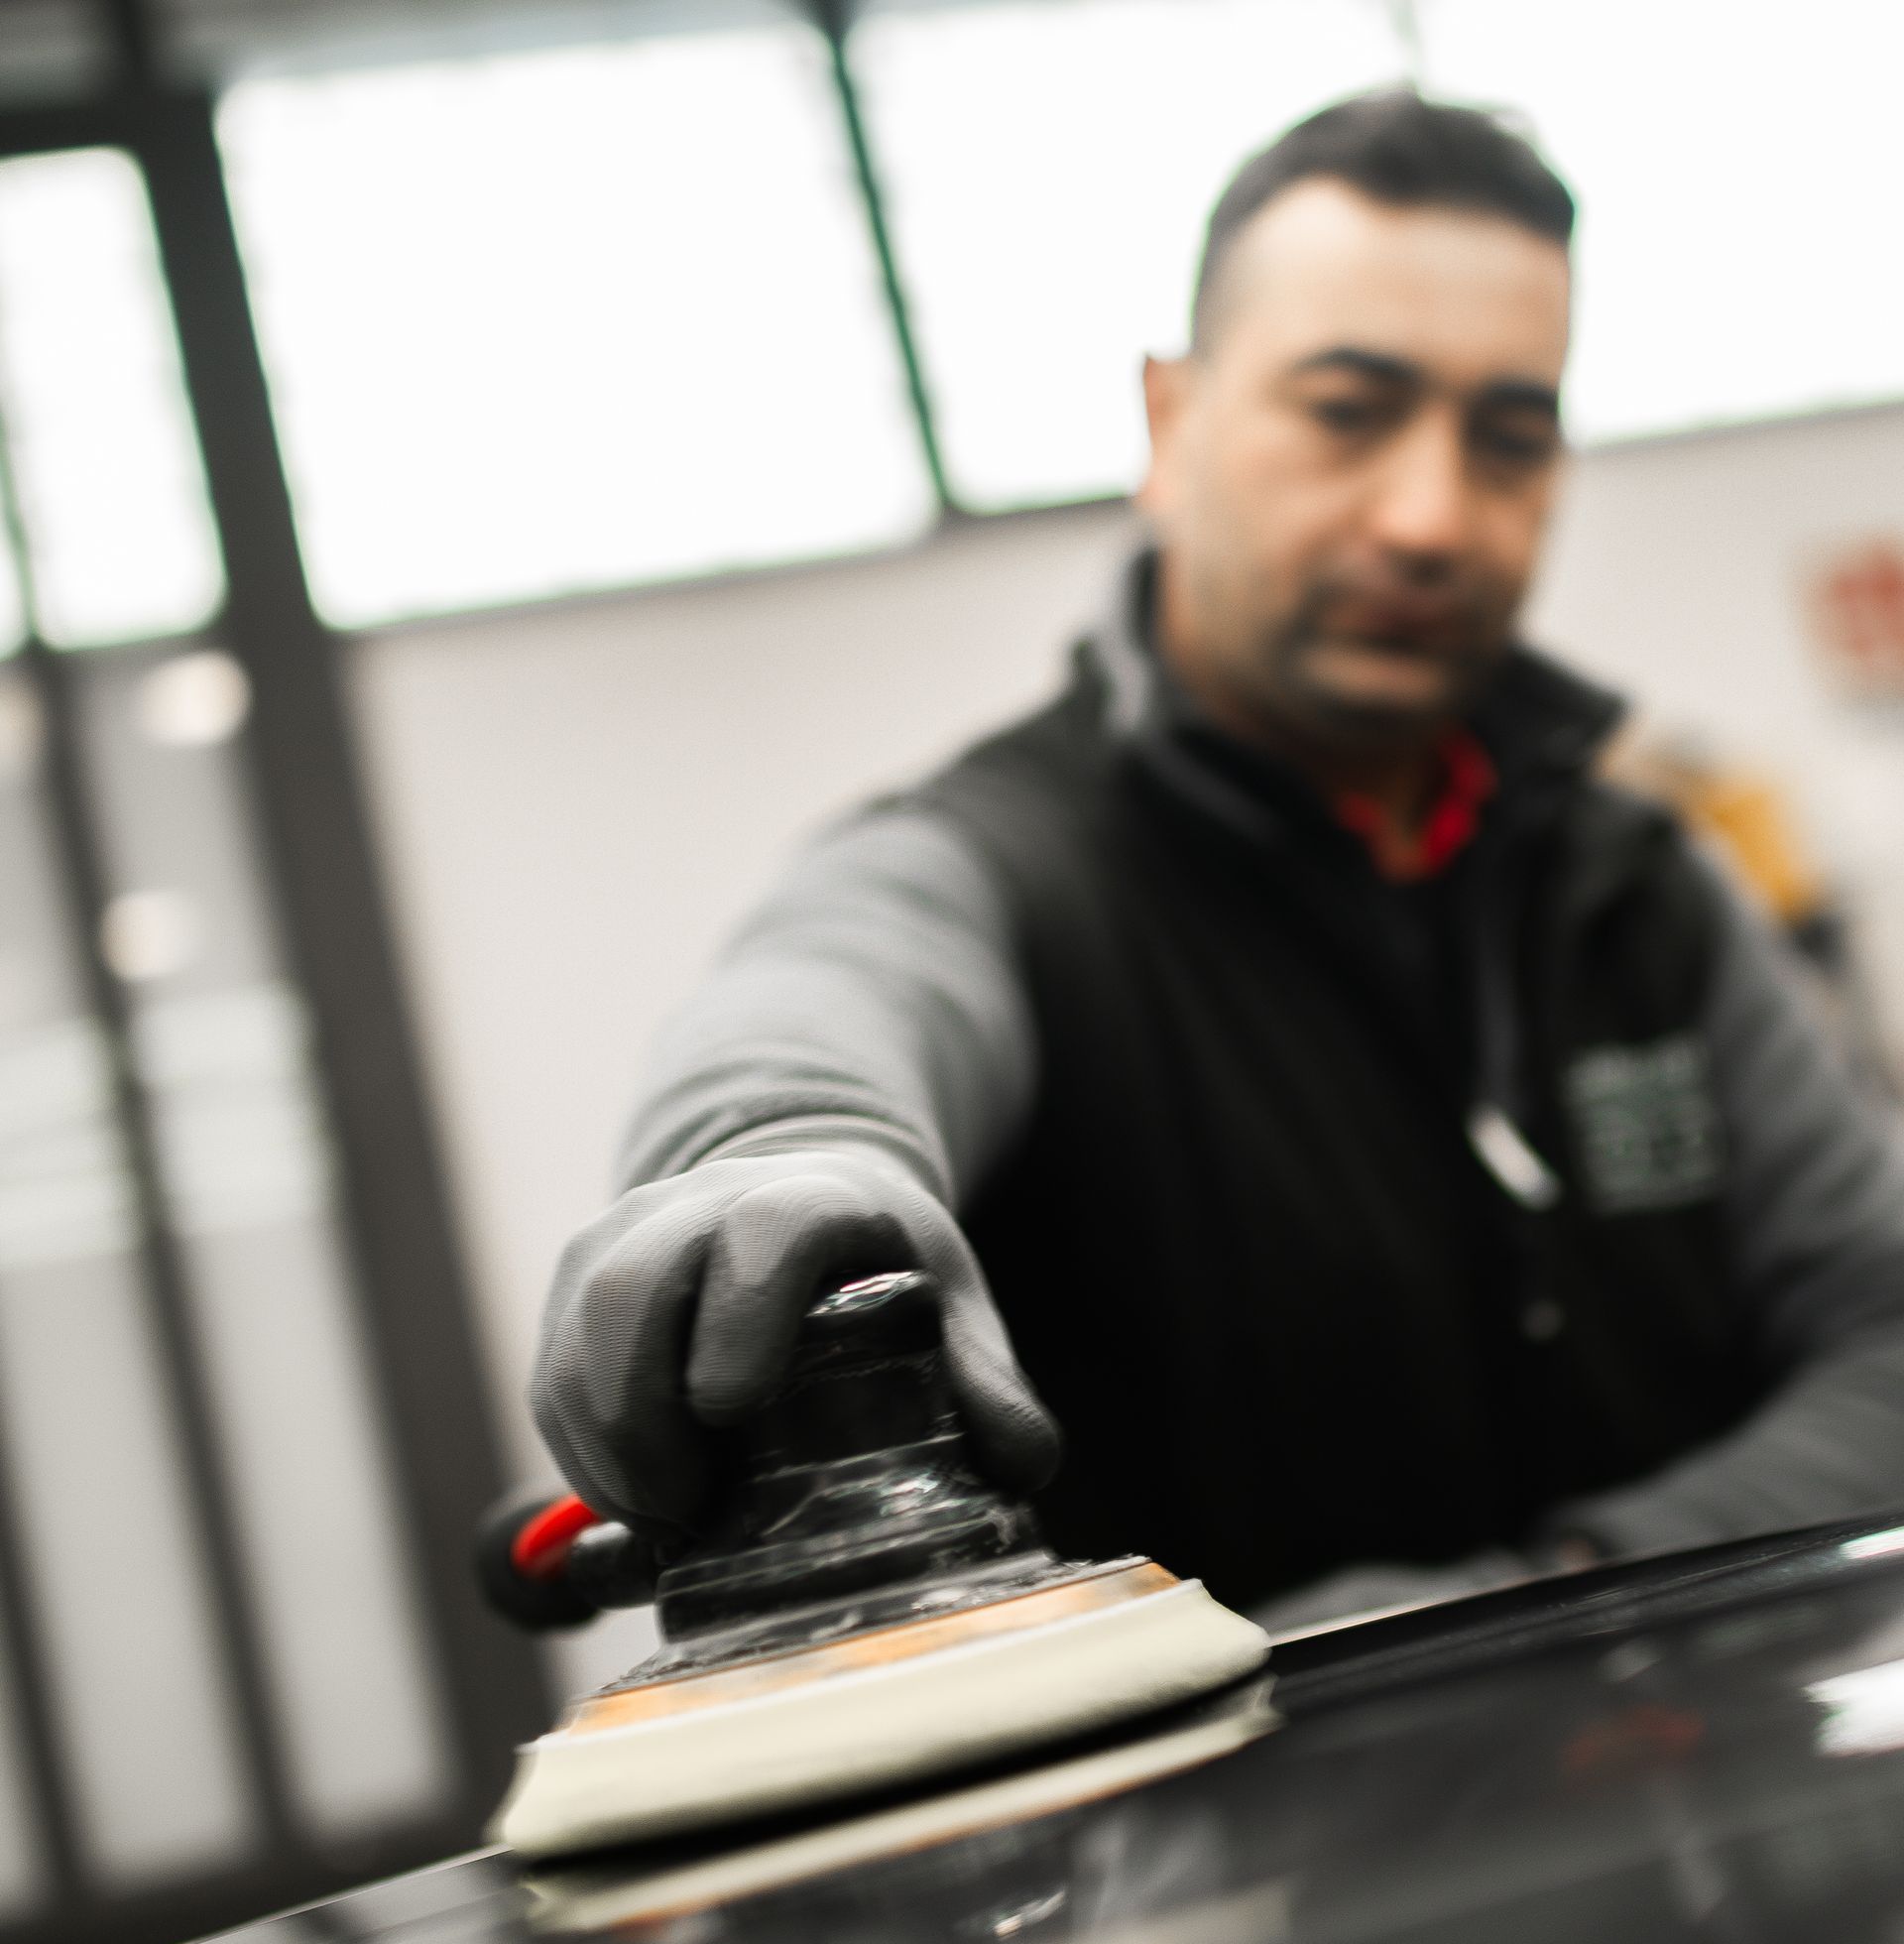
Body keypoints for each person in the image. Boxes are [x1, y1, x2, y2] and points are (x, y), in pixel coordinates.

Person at [532, 90, 1904, 1628]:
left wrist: (1551, 1599)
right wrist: (775, 1165)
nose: (1431, 514)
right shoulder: (994, 871)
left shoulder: (1638, 888)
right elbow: (830, 1003)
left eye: (1509, 438)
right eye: (1349, 411)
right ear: (1170, 426)